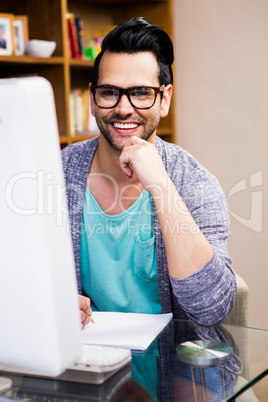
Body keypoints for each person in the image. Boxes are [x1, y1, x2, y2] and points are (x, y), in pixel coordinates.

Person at [62, 17, 236, 328]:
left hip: (171, 369)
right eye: (109, 92)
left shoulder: (195, 182)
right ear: (92, 98)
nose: (124, 108)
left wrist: (160, 186)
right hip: (83, 366)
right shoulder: (59, 172)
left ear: (164, 98)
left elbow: (212, 309)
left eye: (141, 93)